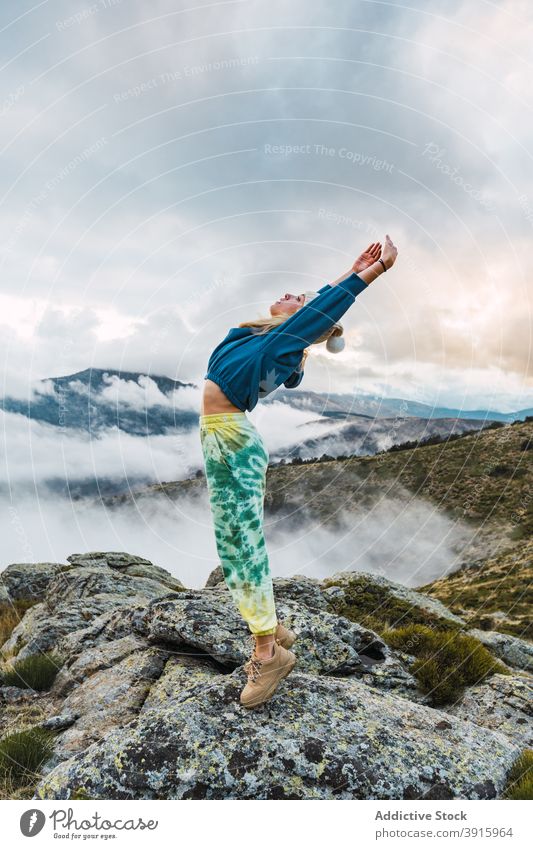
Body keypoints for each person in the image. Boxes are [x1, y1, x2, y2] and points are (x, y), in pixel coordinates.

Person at [199, 234, 398, 708]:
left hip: (232, 441)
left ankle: (268, 654)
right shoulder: (258, 336)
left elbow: (322, 311)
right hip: (219, 439)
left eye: (300, 299)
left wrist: (373, 272)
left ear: (305, 323)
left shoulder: (284, 343)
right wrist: (346, 269)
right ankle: (268, 628)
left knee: (242, 545)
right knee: (232, 546)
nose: (294, 292)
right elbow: (316, 304)